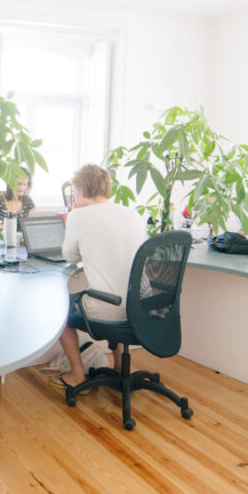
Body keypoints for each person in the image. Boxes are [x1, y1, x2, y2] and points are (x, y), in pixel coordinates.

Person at [53, 164, 146, 390]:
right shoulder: (132, 213)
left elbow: (70, 256)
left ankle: (77, 374)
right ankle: (118, 367)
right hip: (140, 308)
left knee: (60, 313)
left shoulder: (79, 215)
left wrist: (74, 215)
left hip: (107, 309)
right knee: (118, 289)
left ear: (81, 190)